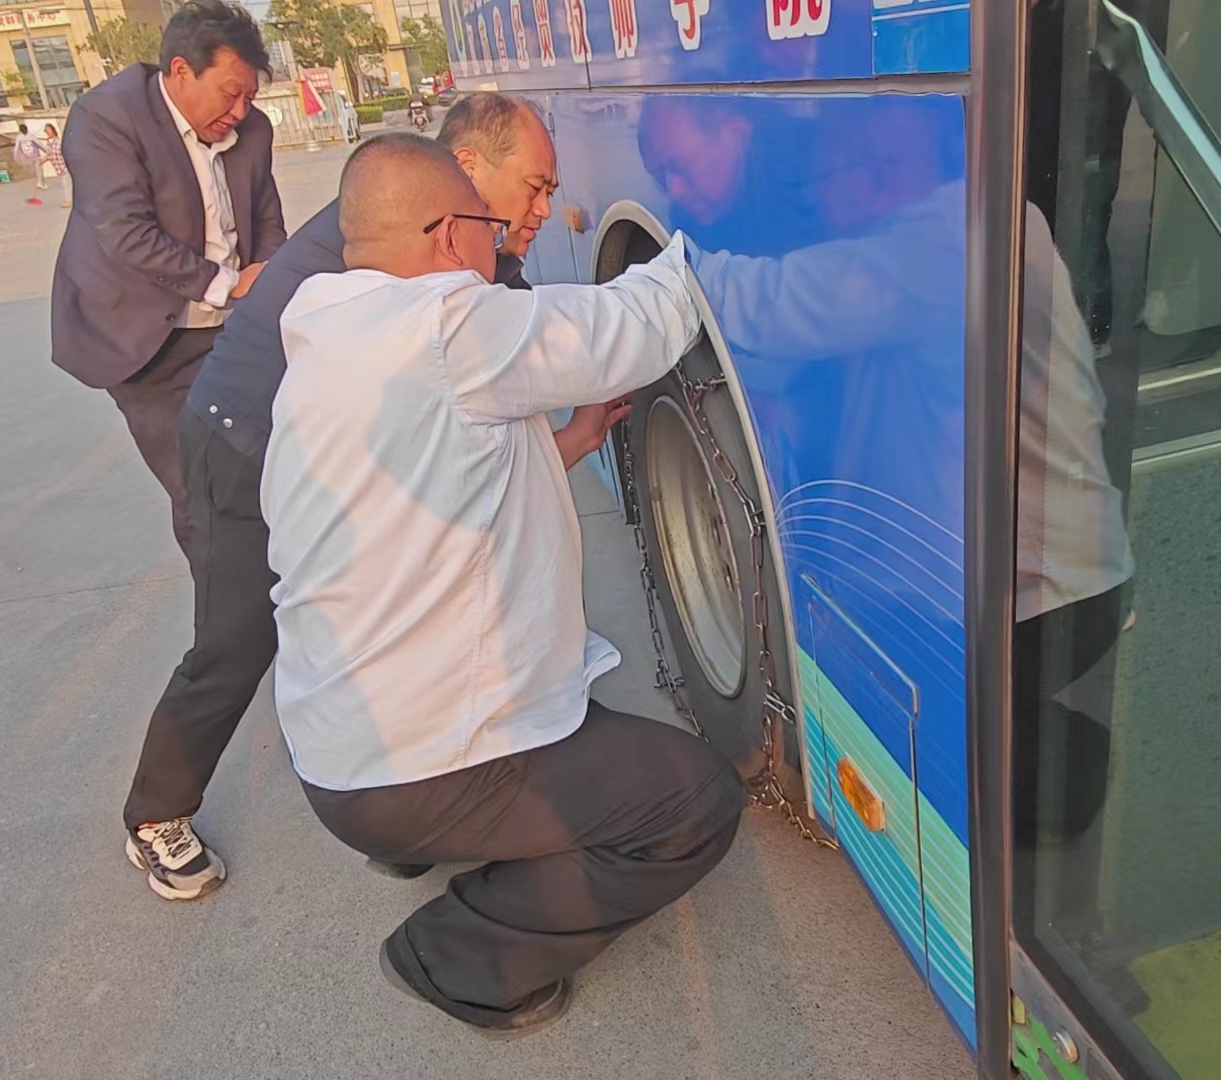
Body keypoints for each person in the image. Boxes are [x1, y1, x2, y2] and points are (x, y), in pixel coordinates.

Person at [266, 134, 742, 1036]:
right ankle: (456, 956)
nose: (501, 244)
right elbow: (634, 323)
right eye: (489, 227)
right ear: (449, 235)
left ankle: (425, 842)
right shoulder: (445, 326)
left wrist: (571, 441)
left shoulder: (332, 341)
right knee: (691, 802)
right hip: (412, 765)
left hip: (343, 745)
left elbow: (438, 490)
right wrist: (713, 237)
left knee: (585, 733)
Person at [120, 92, 569, 901]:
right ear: (465, 172)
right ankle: (156, 813)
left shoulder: (470, 241)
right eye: (533, 187)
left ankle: (410, 806)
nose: (542, 209)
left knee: (393, 615)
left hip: (338, 453)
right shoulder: (397, 228)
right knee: (237, 640)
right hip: (244, 443)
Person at [49, 0, 284, 556]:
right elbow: (125, 233)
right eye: (230, 92)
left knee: (268, 464)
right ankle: (225, 605)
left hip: (231, 327)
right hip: (145, 338)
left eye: (250, 96)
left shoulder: (251, 129)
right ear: (180, 71)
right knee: (198, 486)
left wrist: (269, 286)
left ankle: (277, 585)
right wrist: (228, 283)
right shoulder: (108, 118)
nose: (240, 109)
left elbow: (266, 219)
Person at [39, 123, 72, 208]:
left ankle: (68, 200)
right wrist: (42, 161)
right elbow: (49, 155)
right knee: (67, 183)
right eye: (46, 130)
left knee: (66, 183)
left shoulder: (59, 142)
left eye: (48, 130)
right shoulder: (48, 143)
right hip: (58, 168)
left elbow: (66, 152)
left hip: (65, 166)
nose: (47, 132)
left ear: (53, 130)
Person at [13, 122, 46, 189]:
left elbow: (16, 147)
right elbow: (39, 143)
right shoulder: (30, 136)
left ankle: (42, 183)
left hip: (28, 155)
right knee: (39, 169)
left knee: (37, 169)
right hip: (34, 155)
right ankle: (40, 182)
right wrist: (45, 150)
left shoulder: (19, 137)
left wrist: (16, 155)